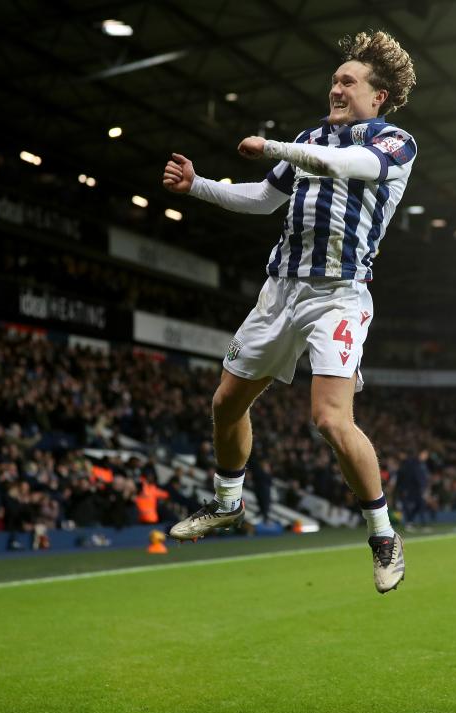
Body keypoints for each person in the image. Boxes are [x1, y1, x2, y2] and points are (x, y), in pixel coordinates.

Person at [162, 30, 417, 593]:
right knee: (226, 402)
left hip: (338, 297)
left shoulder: (394, 142)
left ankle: (382, 534)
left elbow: (350, 164)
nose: (337, 87)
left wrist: (274, 147)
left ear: (376, 98)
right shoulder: (310, 139)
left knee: (330, 419)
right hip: (281, 291)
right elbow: (262, 198)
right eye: (334, 80)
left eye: (349, 81)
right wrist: (198, 185)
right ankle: (227, 502)